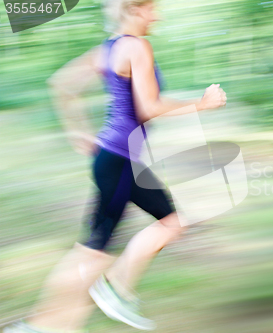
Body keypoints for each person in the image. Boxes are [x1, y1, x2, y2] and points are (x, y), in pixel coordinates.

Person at [3, 0, 226, 331]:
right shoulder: (138, 46)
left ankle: (80, 308)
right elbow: (148, 107)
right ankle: (94, 298)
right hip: (120, 160)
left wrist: (76, 130)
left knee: (166, 224)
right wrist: (202, 104)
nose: (157, 15)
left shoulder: (105, 50)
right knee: (94, 251)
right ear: (134, 10)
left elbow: (61, 84)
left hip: (116, 159)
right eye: (152, 8)